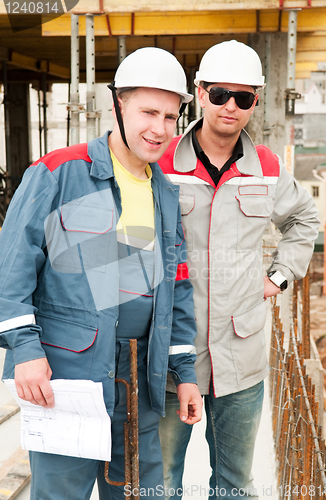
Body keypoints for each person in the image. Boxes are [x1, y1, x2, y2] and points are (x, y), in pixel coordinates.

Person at [0, 47, 202, 500]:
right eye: (149, 111)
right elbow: (10, 269)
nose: (160, 128)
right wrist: (26, 350)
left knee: (138, 492)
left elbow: (178, 286)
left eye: (171, 117)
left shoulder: (164, 194)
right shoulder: (59, 172)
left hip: (140, 381)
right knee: (59, 493)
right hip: (65, 377)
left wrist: (185, 371)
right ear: (117, 106)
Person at [158, 40, 320, 499]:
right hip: (174, 353)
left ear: (255, 101)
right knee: (161, 482)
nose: (231, 106)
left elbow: (304, 220)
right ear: (200, 91)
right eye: (221, 93)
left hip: (241, 354)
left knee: (235, 486)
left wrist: (279, 275)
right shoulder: (163, 163)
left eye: (244, 97)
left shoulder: (267, 168)